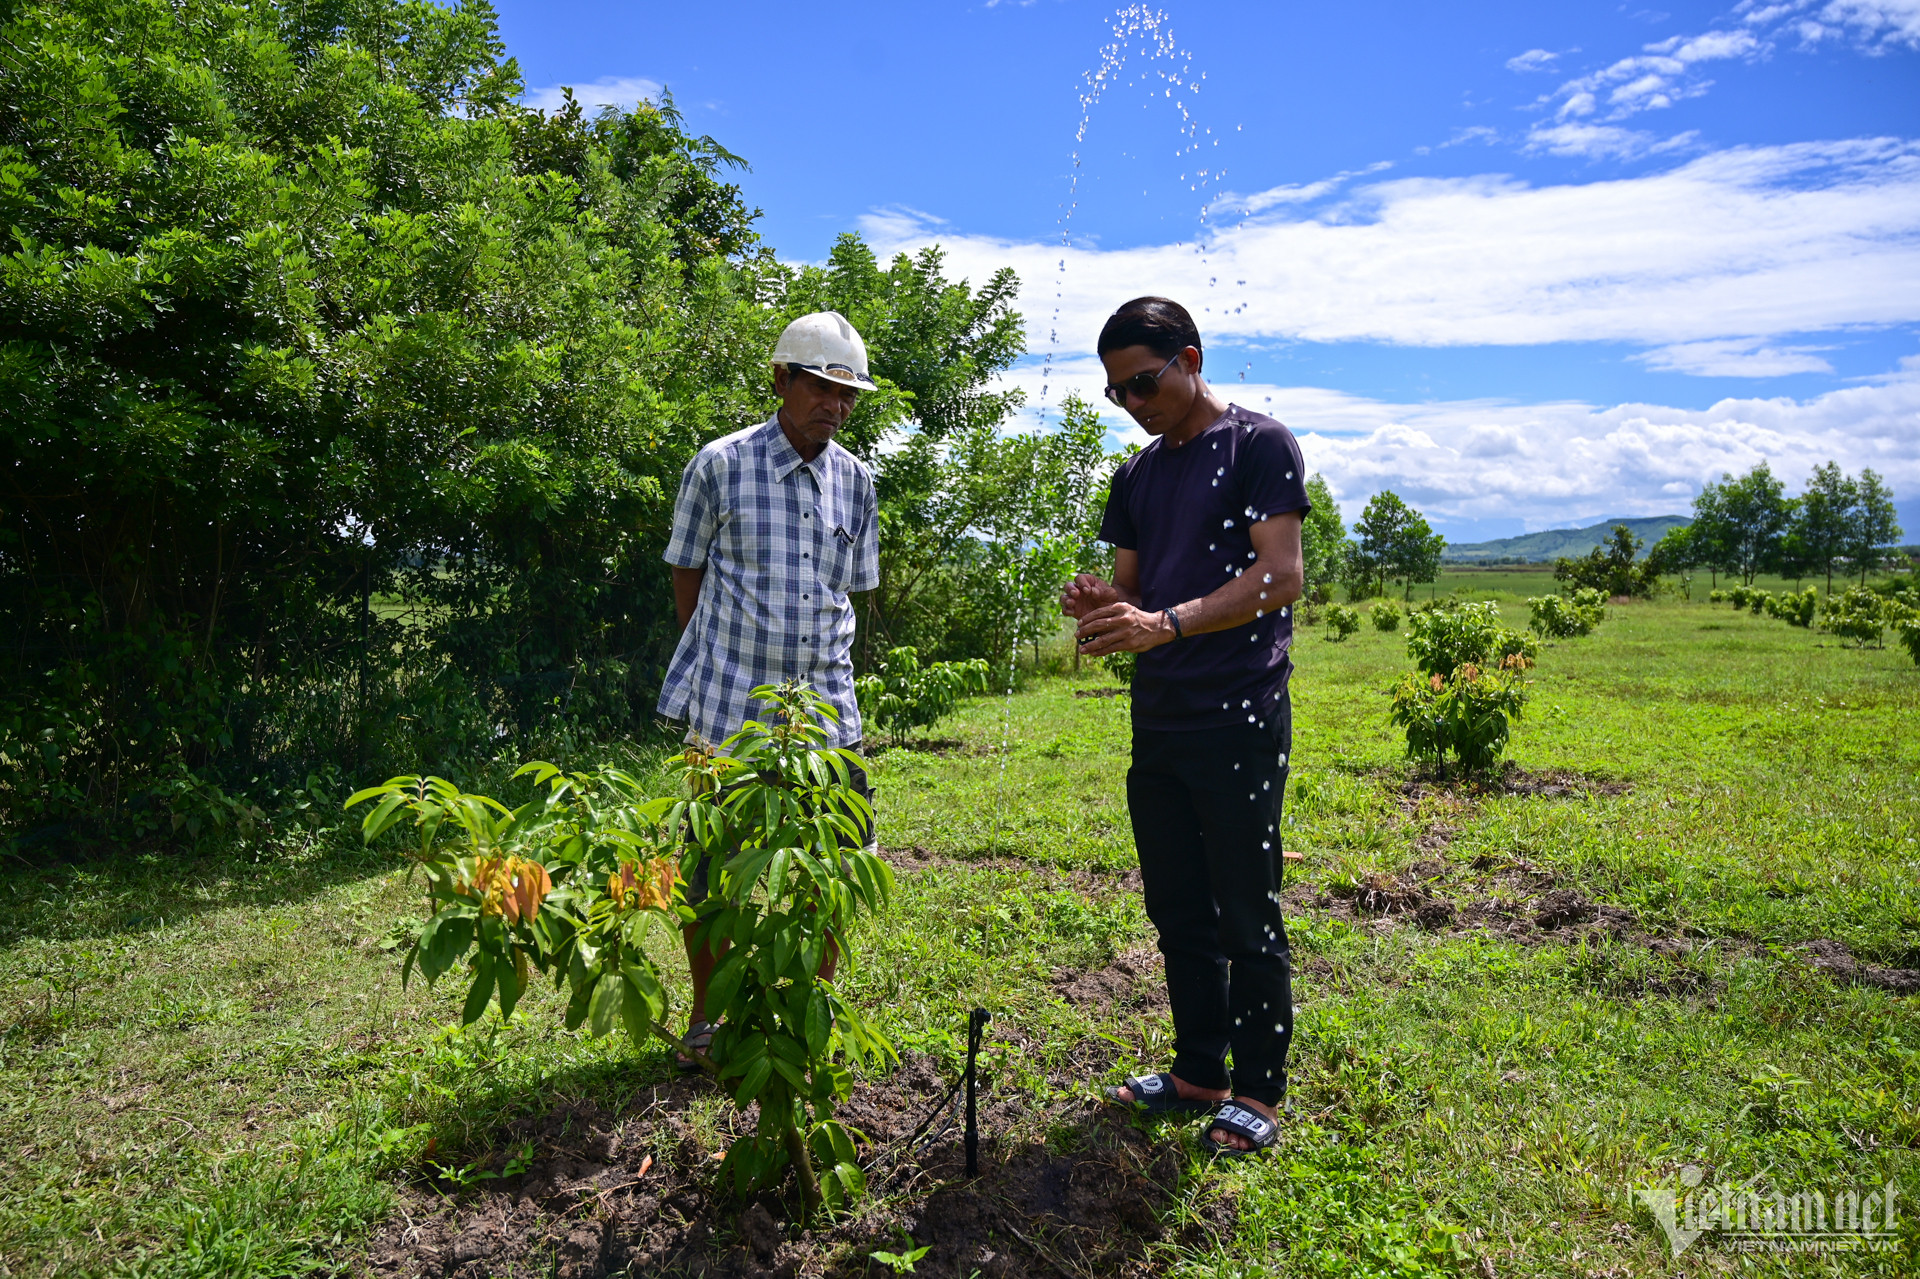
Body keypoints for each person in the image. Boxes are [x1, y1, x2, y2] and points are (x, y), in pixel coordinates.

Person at [1063, 296, 1308, 1156]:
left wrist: (1162, 625)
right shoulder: (1135, 477)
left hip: (1237, 712)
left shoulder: (1258, 446)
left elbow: (1279, 578)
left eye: (1143, 382)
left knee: (1247, 906)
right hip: (1159, 717)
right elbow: (1135, 593)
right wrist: (1106, 605)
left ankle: (1260, 1091)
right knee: (1177, 905)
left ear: (1191, 358)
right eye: (1117, 392)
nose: (1134, 403)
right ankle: (1201, 1067)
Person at [658, 310, 881, 1067]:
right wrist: (716, 648)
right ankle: (708, 1018)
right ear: (781, 380)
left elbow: (852, 591)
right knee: (709, 866)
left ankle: (804, 1020)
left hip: (827, 711)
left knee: (834, 864)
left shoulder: (856, 480)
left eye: (847, 395)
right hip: (728, 704)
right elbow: (687, 570)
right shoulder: (719, 465)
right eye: (820, 387)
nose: (835, 406)